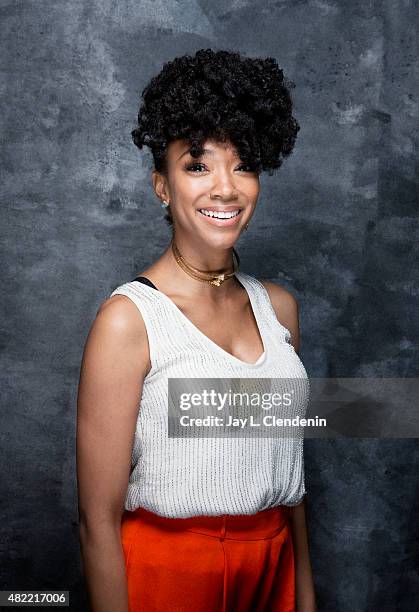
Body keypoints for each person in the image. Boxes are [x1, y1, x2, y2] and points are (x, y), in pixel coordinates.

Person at [77, 48, 317, 612]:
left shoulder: (278, 310)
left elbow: (293, 479)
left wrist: (303, 598)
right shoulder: (128, 320)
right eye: (199, 164)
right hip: (168, 577)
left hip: (273, 566)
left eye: (244, 164)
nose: (226, 188)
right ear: (163, 184)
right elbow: (95, 521)